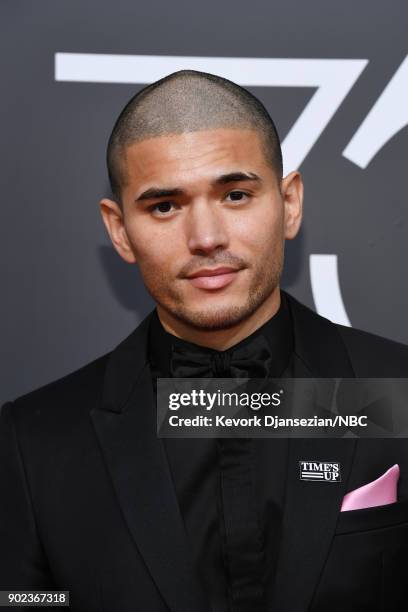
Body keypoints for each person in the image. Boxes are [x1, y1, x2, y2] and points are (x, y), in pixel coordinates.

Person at [1, 70, 408, 612]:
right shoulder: (35, 443)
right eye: (165, 206)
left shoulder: (399, 391)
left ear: (289, 204)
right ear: (120, 230)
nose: (206, 238)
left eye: (236, 194)